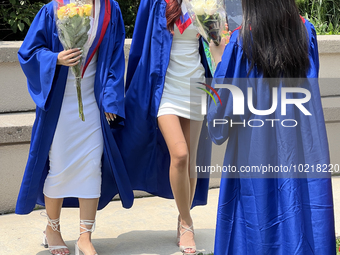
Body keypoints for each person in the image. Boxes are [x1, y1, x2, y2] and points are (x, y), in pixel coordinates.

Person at [208, 0, 336, 254]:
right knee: (302, 209)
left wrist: (217, 57)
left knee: (255, 218)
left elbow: (219, 121)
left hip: (253, 148)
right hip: (302, 145)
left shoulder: (240, 41)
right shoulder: (306, 32)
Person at [16, 0, 134, 254]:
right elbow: (28, 52)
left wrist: (111, 99)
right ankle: (52, 228)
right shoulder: (54, 8)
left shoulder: (110, 9)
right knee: (58, 166)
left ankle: (84, 237)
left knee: (92, 166)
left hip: (93, 102)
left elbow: (114, 58)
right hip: (59, 103)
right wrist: (55, 58)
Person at [114, 0, 212, 254]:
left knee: (190, 161)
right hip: (164, 89)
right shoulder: (155, 2)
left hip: (196, 87)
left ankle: (182, 220)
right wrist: (131, 92)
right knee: (179, 154)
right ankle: (188, 222)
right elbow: (139, 47)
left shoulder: (208, 3)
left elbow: (217, 44)